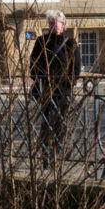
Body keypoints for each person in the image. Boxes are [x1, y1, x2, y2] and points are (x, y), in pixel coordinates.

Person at [28, 9, 80, 141]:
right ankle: (45, 150)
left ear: (63, 24)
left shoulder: (70, 43)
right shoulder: (41, 42)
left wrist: (69, 83)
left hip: (63, 90)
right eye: (50, 23)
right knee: (46, 121)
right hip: (46, 89)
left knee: (60, 122)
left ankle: (58, 148)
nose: (52, 25)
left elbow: (76, 68)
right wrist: (40, 79)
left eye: (55, 23)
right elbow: (33, 64)